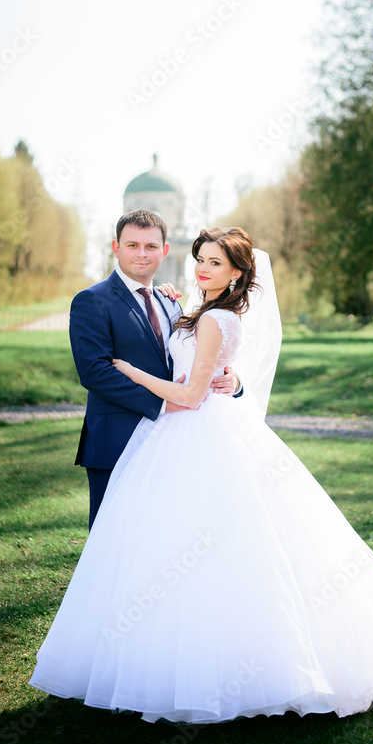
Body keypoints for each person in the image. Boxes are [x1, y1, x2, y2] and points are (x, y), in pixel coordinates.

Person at [30, 227, 373, 725]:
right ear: (118, 248)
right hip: (144, 439)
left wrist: (143, 373)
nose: (203, 269)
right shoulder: (156, 303)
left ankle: (210, 666)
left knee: (208, 549)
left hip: (191, 431)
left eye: (215, 262)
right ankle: (132, 658)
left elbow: (196, 385)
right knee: (140, 551)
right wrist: (215, 380)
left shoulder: (209, 314)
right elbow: (111, 369)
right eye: (202, 260)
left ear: (237, 271)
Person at [69, 210, 242, 529]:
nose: (141, 253)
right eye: (132, 245)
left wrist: (231, 380)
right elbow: (95, 372)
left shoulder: (171, 303)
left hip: (172, 440)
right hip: (117, 437)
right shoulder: (92, 301)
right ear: (115, 247)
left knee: (157, 537)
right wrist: (163, 404)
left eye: (151, 246)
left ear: (165, 251)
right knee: (113, 536)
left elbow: (195, 360)